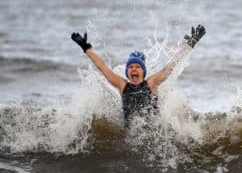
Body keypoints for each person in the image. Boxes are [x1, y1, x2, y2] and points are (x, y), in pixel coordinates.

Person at [71, 25, 206, 125]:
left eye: (137, 67)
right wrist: (86, 48)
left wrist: (190, 44)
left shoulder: (152, 82)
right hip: (131, 134)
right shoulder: (122, 85)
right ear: (127, 73)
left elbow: (169, 67)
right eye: (130, 67)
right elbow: (103, 68)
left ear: (143, 71)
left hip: (153, 132)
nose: (133, 69)